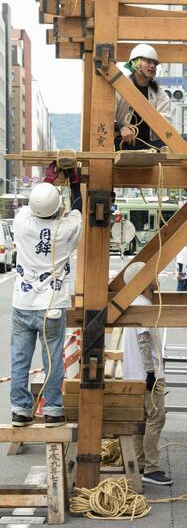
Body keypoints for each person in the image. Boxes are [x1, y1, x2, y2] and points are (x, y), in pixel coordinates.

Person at [10, 163, 83, 427]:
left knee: (20, 358)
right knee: (52, 359)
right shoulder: (66, 230)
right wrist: (74, 182)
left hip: (23, 304)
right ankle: (52, 409)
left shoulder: (21, 224)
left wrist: (49, 179)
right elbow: (79, 210)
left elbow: (35, 205)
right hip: (52, 306)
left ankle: (20, 410)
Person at [122, 262, 172, 486]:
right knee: (156, 418)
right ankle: (151, 468)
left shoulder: (135, 303)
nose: (156, 278)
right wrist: (151, 373)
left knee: (140, 420)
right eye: (152, 276)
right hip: (147, 374)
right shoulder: (144, 306)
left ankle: (140, 464)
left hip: (133, 374)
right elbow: (144, 341)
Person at [115, 44, 173, 151]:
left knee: (186, 139)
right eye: (148, 62)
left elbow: (166, 121)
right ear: (135, 64)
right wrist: (121, 127)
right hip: (123, 143)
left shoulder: (160, 94)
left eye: (155, 63)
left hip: (150, 144)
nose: (153, 66)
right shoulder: (120, 88)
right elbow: (107, 117)